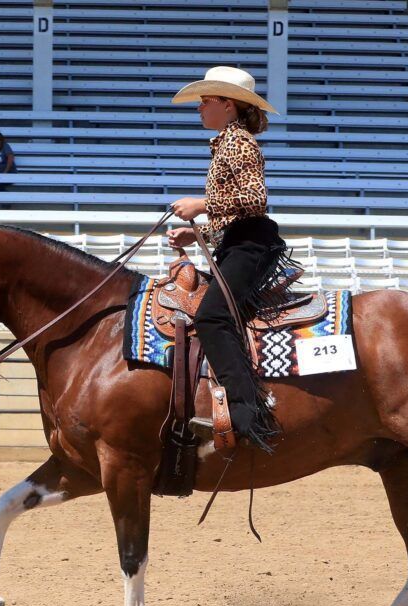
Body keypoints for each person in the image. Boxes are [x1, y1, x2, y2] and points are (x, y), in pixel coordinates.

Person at [167, 66, 288, 453]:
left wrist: (201, 205)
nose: (200, 108)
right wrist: (199, 232)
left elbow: (256, 201)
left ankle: (244, 411)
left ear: (228, 104)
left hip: (251, 245)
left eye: (206, 101)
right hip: (241, 240)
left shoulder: (239, 143)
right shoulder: (227, 141)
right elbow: (239, 213)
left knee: (211, 315)